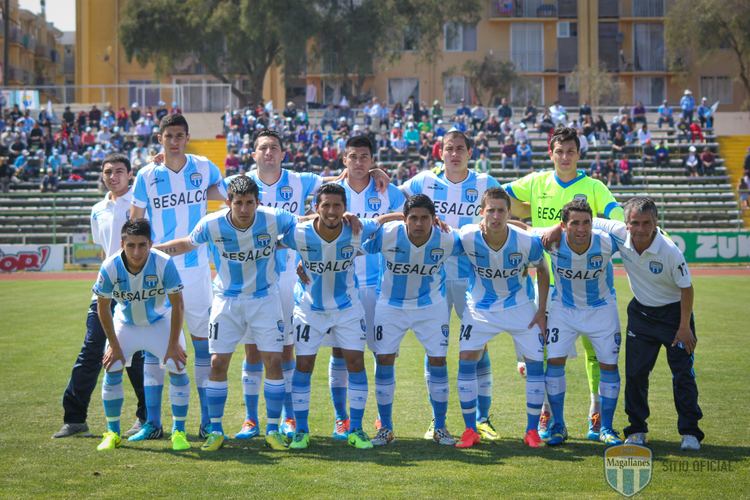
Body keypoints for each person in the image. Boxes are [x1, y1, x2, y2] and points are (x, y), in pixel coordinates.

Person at [155, 176, 299, 452]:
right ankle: (216, 429)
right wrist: (154, 251)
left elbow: (303, 226)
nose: (244, 209)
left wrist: (339, 218)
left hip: (264, 299)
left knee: (273, 360)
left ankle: (272, 429)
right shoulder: (212, 223)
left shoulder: (274, 218)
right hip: (226, 300)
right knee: (218, 362)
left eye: (249, 203)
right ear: (228, 202)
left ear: (258, 202)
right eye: (238, 203)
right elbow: (187, 243)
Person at [503, 126, 624, 442]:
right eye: (560, 151)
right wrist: (521, 214)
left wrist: (562, 226)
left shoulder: (593, 186)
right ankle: (550, 414)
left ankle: (596, 415)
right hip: (552, 287)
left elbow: (617, 217)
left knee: (596, 355)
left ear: (579, 153)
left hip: (593, 289)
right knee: (546, 356)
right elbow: (497, 195)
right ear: (551, 153)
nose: (565, 157)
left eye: (571, 151)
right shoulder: (536, 182)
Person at [401, 130, 502, 441]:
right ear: (440, 152)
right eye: (449, 149)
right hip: (435, 278)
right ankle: (436, 420)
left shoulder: (487, 183)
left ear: (470, 152)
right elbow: (389, 194)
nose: (454, 154)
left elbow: (506, 213)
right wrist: (375, 172)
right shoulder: (422, 183)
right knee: (436, 349)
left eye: (460, 148)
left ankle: (483, 420)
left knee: (478, 345)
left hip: (474, 277)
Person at [130, 114, 225, 441]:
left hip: (197, 269)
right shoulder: (146, 175)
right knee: (156, 348)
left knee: (203, 345)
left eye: (179, 135)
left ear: (186, 138)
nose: (174, 141)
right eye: (168, 135)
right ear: (160, 138)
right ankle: (153, 423)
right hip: (158, 271)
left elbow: (224, 191)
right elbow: (136, 223)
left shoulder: (203, 166)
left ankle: (209, 421)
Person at [281, 183, 392, 450]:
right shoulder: (298, 232)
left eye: (337, 206)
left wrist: (429, 216)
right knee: (304, 365)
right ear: (316, 208)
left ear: (345, 209)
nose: (331, 211)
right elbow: (271, 242)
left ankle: (355, 428)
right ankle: (302, 430)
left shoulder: (357, 227)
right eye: (326, 205)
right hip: (310, 310)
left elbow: (382, 221)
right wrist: (301, 261)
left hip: (347, 309)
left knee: (355, 362)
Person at [591, 197, 702, 450]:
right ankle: (637, 429)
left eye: (646, 223)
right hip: (641, 315)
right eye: (635, 223)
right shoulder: (618, 231)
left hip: (675, 317)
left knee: (683, 375)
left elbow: (687, 289)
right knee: (636, 375)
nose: (640, 229)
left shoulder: (670, 250)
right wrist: (557, 227)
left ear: (656, 223)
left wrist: (684, 327)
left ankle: (690, 433)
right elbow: (585, 221)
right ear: (626, 223)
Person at [54, 154, 147, 439]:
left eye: (120, 171)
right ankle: (75, 419)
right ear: (103, 175)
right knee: (91, 352)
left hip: (135, 291)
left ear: (130, 174)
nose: (113, 176)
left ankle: (146, 419)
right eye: (108, 171)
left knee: (136, 356)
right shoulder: (98, 209)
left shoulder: (139, 203)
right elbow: (105, 250)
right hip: (105, 290)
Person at [454, 188, 550, 449]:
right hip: (480, 310)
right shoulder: (466, 237)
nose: (495, 216)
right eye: (490, 210)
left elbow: (542, 270)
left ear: (509, 213)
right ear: (481, 213)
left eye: (501, 211)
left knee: (534, 366)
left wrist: (541, 311)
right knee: (465, 361)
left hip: (520, 308)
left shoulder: (525, 241)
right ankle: (470, 430)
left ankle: (532, 430)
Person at [365, 195, 462, 447]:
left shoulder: (447, 238)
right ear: (404, 219)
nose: (419, 224)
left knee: (438, 359)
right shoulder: (387, 234)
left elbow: (479, 245)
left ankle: (439, 426)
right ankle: (385, 428)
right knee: (384, 358)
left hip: (430, 307)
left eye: (425, 218)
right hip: (390, 306)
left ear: (434, 219)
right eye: (413, 218)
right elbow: (350, 242)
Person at [325, 136, 405, 439]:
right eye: (353, 157)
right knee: (340, 351)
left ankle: (385, 422)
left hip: (379, 284)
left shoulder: (387, 190)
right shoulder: (333, 192)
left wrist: (383, 218)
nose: (359, 162)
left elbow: (411, 215)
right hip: (341, 284)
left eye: (364, 157)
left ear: (372, 161)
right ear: (344, 160)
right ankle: (341, 419)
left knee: (383, 353)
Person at [92, 218, 190, 452]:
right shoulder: (110, 266)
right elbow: (102, 308)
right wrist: (114, 346)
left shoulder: (164, 263)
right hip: (126, 324)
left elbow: (178, 305)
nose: (136, 252)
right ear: (122, 243)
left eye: (142, 245)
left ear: (150, 244)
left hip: (160, 322)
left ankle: (179, 432)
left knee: (178, 366)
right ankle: (112, 433)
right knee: (112, 366)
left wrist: (173, 342)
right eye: (131, 245)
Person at [540, 199, 624, 447]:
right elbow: (514, 230)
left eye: (586, 222)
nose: (581, 228)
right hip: (563, 310)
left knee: (609, 366)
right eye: (574, 223)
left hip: (601, 311)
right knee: (554, 363)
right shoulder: (551, 241)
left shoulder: (607, 241)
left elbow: (629, 229)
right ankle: (558, 425)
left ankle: (606, 427)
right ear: (564, 225)